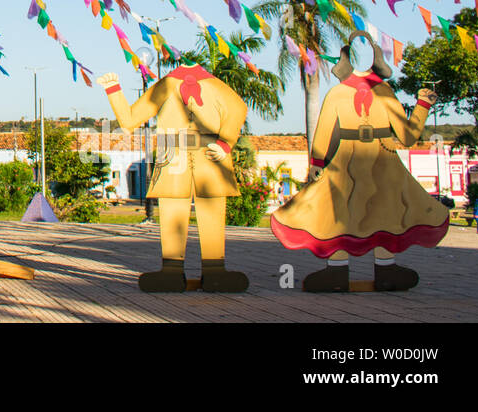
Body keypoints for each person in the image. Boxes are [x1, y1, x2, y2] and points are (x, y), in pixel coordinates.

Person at [270, 30, 449, 292]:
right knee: (375, 211)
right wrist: (422, 105)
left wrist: (318, 164)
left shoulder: (343, 93)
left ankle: (347, 271)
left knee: (348, 212)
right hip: (378, 159)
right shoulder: (381, 93)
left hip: (355, 160)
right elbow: (408, 137)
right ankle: (377, 269)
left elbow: (323, 135)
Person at [97, 65, 248, 292]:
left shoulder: (205, 85)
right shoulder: (167, 85)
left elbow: (237, 109)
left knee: (212, 210)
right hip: (174, 152)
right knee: (172, 209)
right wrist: (113, 89)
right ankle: (173, 270)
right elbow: (129, 122)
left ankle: (214, 269)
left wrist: (225, 143)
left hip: (207, 153)